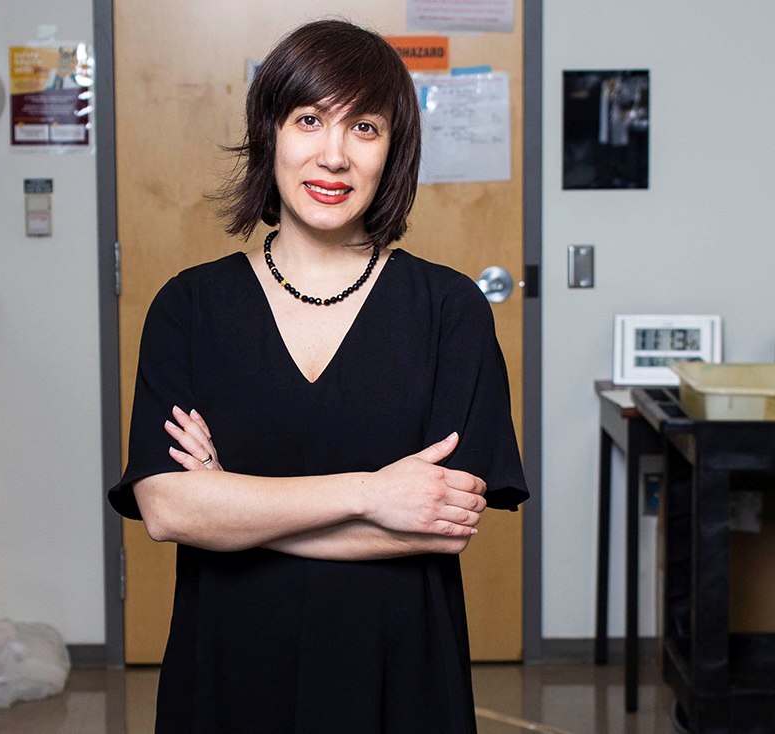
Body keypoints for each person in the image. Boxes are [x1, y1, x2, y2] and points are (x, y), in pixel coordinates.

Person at [109, 19, 528, 733]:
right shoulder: (190, 306)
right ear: (269, 132)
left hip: (400, 677)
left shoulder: (449, 309)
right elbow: (168, 511)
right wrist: (373, 494)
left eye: (363, 128)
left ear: (392, 151)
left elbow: (441, 527)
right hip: (231, 672)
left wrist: (232, 510)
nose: (333, 155)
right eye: (309, 120)